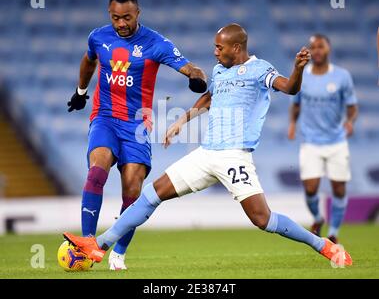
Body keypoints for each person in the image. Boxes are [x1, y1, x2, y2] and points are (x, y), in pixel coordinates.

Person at [64, 24, 352, 267]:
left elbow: (289, 88)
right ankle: (98, 245)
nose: (215, 52)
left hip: (234, 157)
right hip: (205, 154)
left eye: (219, 48)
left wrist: (298, 69)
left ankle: (323, 245)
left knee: (262, 219)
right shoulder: (219, 71)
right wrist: (182, 121)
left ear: (236, 48)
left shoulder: (259, 69)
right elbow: (209, 98)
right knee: (151, 195)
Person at [66, 0, 207, 270]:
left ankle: (117, 253)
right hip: (104, 117)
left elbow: (191, 67)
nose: (121, 24)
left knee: (132, 190)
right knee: (97, 170)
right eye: (116, 18)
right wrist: (81, 91)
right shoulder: (98, 37)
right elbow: (89, 59)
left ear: (138, 14)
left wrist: (196, 78)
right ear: (110, 14)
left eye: (127, 18)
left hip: (136, 124)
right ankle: (87, 243)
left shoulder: (155, 43)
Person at [288, 34, 358, 244]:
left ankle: (334, 232)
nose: (317, 50)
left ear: (328, 49)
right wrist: (292, 123)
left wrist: (350, 121)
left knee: (339, 188)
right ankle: (318, 218)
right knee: (310, 188)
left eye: (321, 46)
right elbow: (296, 104)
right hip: (310, 142)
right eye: (313, 47)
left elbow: (352, 107)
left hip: (336, 141)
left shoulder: (342, 76)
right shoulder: (304, 76)